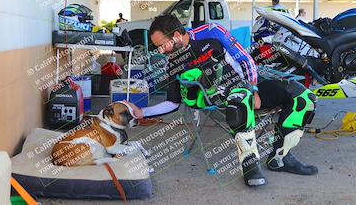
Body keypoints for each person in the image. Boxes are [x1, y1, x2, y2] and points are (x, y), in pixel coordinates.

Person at [126, 15, 318, 187]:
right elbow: (173, 102)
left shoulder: (211, 32)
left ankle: (280, 157)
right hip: (224, 98)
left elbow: (245, 60)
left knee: (304, 97)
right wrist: (143, 112)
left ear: (176, 35)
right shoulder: (173, 64)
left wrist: (254, 89)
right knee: (241, 100)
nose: (160, 50)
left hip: (249, 82)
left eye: (162, 44)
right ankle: (250, 165)